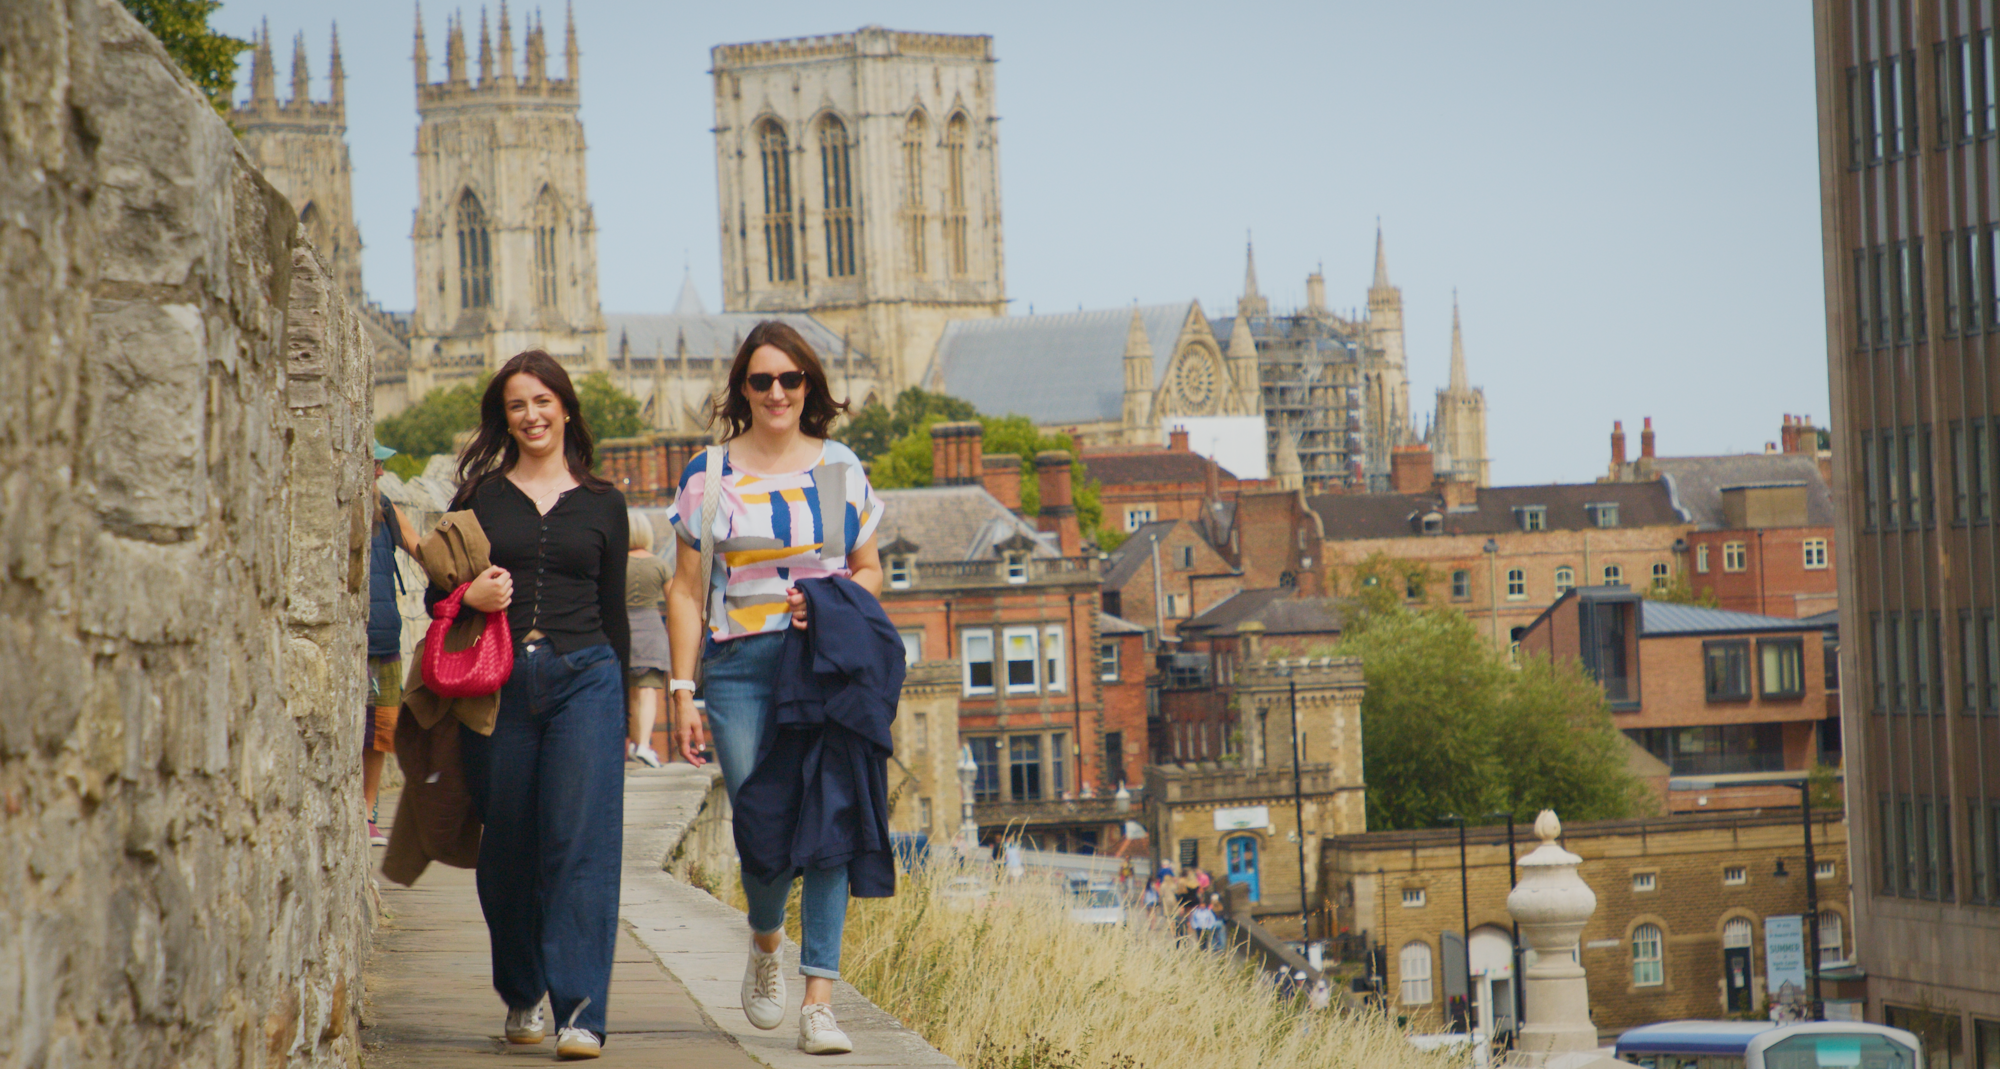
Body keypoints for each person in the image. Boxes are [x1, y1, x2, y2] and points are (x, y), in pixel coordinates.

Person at [665, 320, 883, 1056]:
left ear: (809, 386)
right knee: (761, 828)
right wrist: (682, 688)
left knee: (829, 822)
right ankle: (765, 940)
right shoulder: (710, 473)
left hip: (822, 664)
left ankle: (819, 998)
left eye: (791, 379)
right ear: (743, 390)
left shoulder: (839, 467)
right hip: (740, 667)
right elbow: (686, 589)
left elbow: (868, 569)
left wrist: (832, 602)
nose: (777, 392)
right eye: (762, 381)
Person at [445, 351, 630, 1060]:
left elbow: (614, 613)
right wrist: (470, 595)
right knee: (508, 846)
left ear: (567, 408)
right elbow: (438, 593)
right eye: (518, 404)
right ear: (505, 417)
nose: (532, 415)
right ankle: (523, 988)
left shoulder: (605, 502)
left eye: (544, 400)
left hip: (587, 676)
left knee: (579, 842)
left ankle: (581, 1010)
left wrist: (626, 709)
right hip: (500, 686)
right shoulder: (479, 498)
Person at [366, 442, 420, 846]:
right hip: (356, 641)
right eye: (375, 464)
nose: (381, 472)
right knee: (355, 730)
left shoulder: (385, 508)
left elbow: (423, 549)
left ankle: (367, 811)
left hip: (384, 638)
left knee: (381, 730)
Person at [623, 510, 671, 768]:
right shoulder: (660, 565)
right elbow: (675, 603)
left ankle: (634, 744)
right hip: (651, 630)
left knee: (632, 692)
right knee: (649, 690)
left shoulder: (617, 564)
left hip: (624, 631)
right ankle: (643, 744)